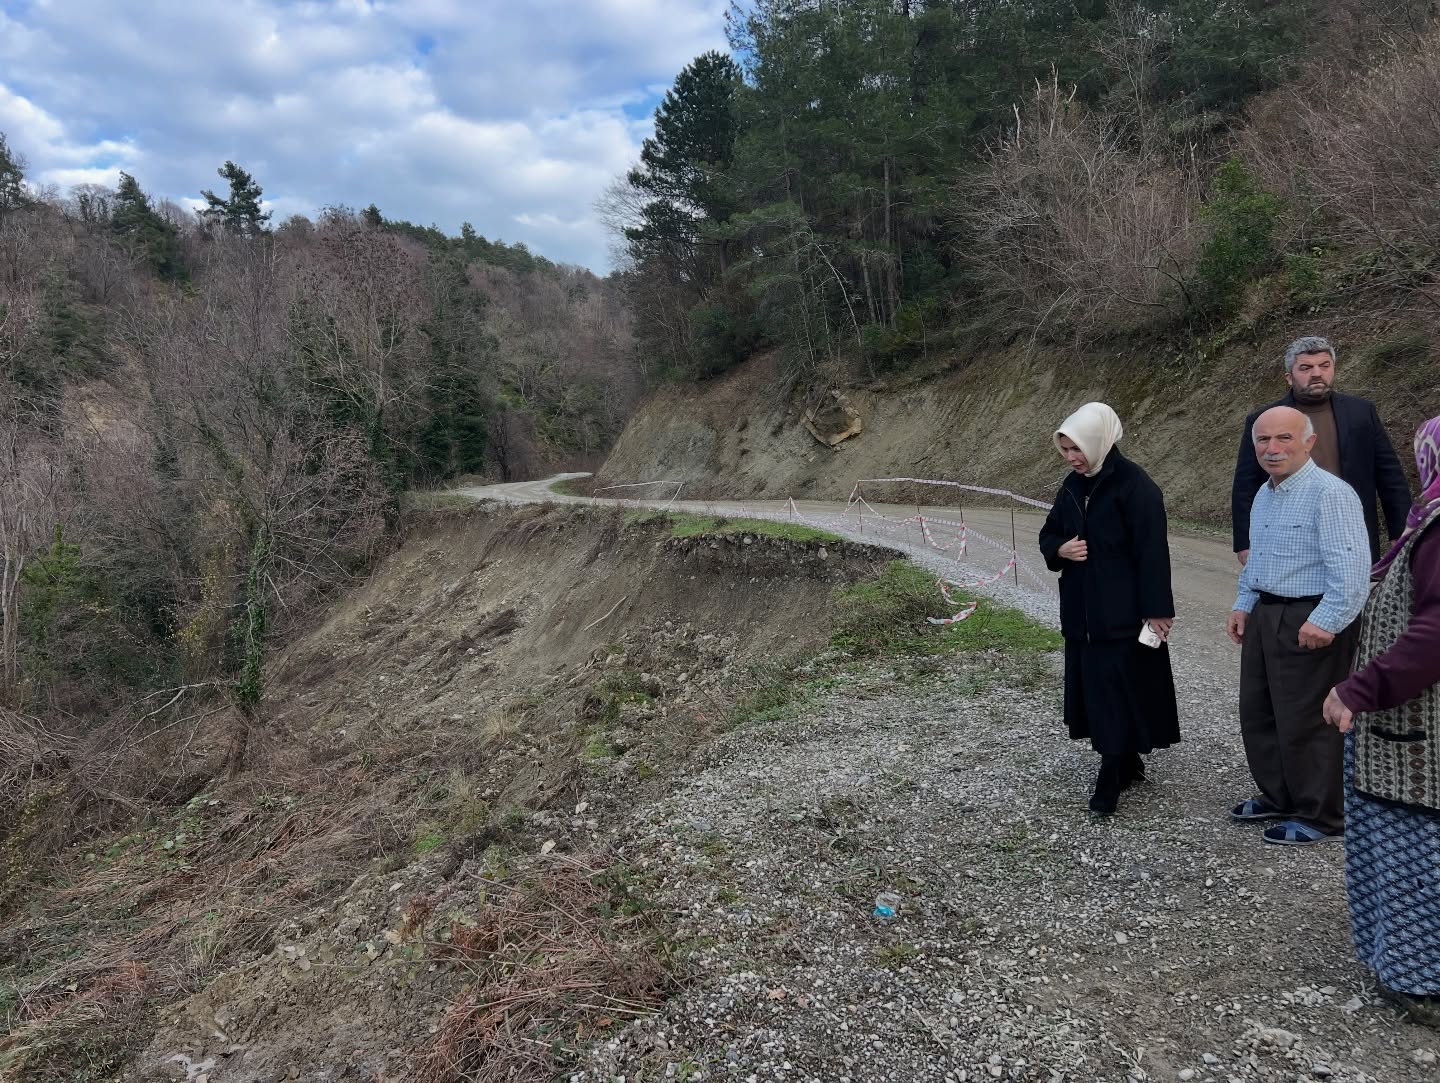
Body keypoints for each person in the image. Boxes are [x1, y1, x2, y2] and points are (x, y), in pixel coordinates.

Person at [1322, 415, 1440, 1023]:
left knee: (1414, 855)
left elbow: (1435, 631)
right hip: (1415, 731)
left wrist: (1361, 688)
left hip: (1420, 743)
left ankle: (1419, 981)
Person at [1227, 405, 1371, 845]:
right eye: (1263, 440)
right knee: (1261, 711)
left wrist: (1327, 620)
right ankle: (1279, 795)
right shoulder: (1265, 493)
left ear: (1308, 442)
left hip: (1311, 617)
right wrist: (1243, 604)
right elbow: (1257, 560)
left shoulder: (1331, 494)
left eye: (1283, 438)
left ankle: (1321, 813)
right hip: (1267, 613)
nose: (1272, 448)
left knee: (1308, 719)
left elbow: (1352, 569)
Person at [1039, 402, 1179, 817]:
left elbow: (1152, 553)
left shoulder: (1135, 486)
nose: (1071, 458)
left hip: (1123, 616)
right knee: (1096, 694)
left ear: (1098, 442)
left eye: (1077, 449)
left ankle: (1111, 771)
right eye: (1065, 450)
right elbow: (1049, 533)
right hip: (1081, 615)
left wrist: (1158, 610)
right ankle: (1127, 760)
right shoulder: (1071, 486)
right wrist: (1060, 549)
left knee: (1118, 693)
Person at [1232, 336, 1410, 565]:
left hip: (1351, 531)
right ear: (1289, 377)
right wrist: (1245, 541)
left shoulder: (1361, 412)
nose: (1317, 373)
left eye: (1324, 366)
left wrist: (1401, 531)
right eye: (1306, 368)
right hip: (1286, 534)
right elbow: (1246, 484)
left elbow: (1390, 476)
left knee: (1352, 588)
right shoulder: (1264, 419)